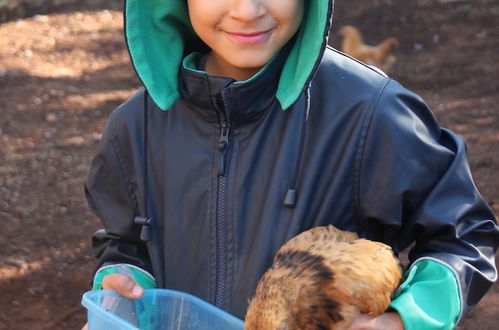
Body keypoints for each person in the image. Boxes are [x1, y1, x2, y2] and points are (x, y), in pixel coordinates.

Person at [84, 0, 498, 329]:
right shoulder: (135, 125)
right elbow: (125, 242)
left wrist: (403, 320)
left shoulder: (372, 113)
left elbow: (466, 238)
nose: (247, 11)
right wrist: (122, 285)